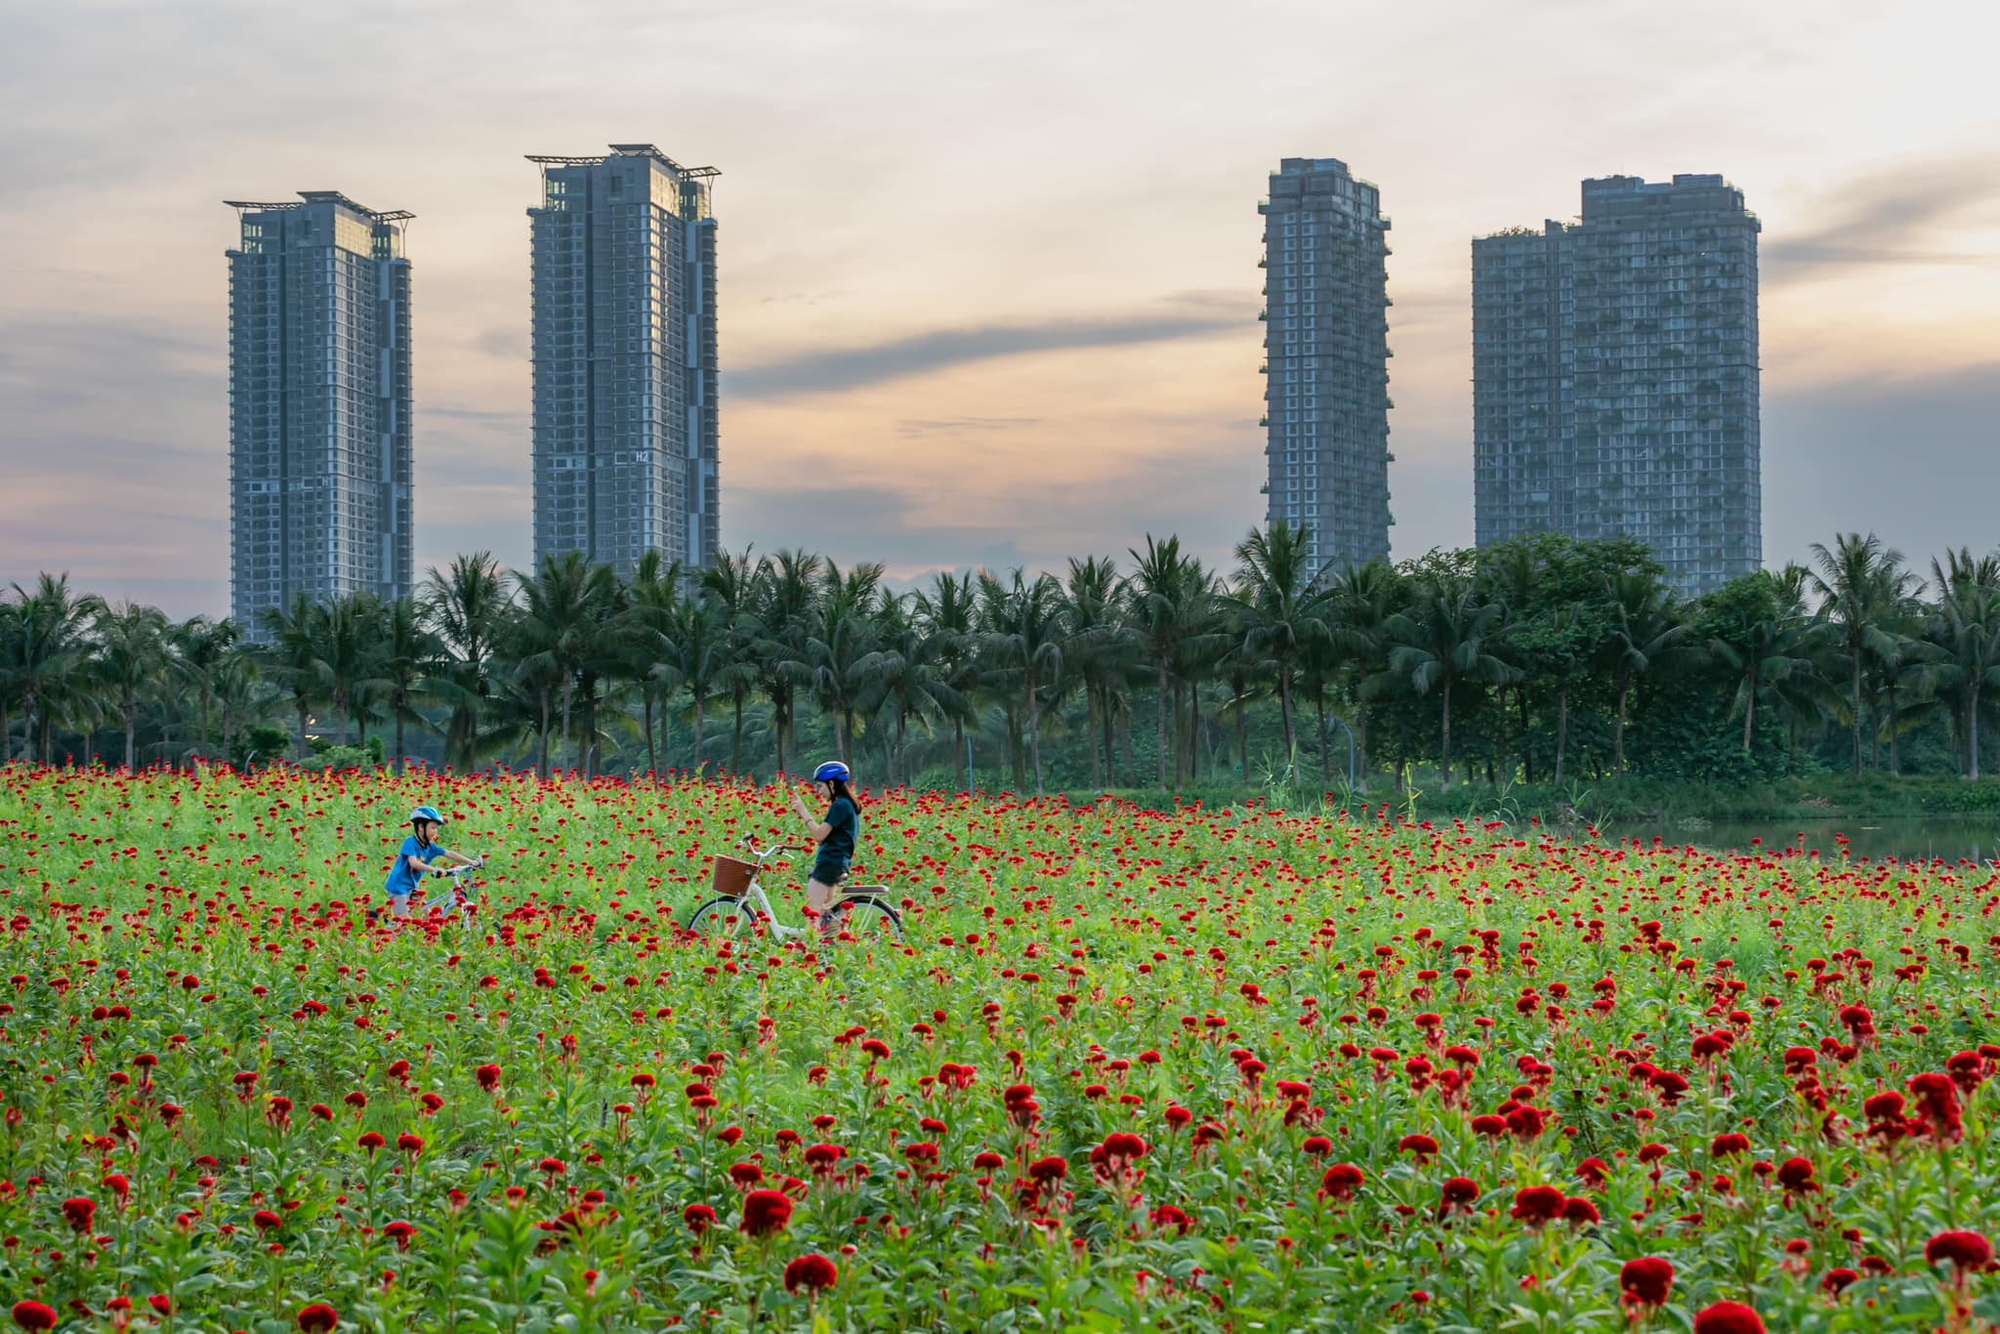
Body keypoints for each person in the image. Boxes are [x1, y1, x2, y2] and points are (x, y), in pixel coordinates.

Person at [790, 761, 859, 936]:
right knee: (830, 921)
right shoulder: (846, 804)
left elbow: (820, 835)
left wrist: (803, 812)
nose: (818, 791)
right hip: (837, 863)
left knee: (812, 917)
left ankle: (809, 956)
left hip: (829, 864)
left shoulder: (840, 805)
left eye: (820, 786)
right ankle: (831, 955)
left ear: (831, 784)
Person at [380, 805, 482, 922]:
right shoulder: (410, 842)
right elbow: (414, 863)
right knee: (405, 923)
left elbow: (449, 853)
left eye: (436, 828)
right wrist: (433, 869)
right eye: (433, 827)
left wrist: (471, 862)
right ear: (421, 827)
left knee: (430, 918)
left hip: (413, 888)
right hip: (398, 888)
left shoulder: (430, 847)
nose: (435, 831)